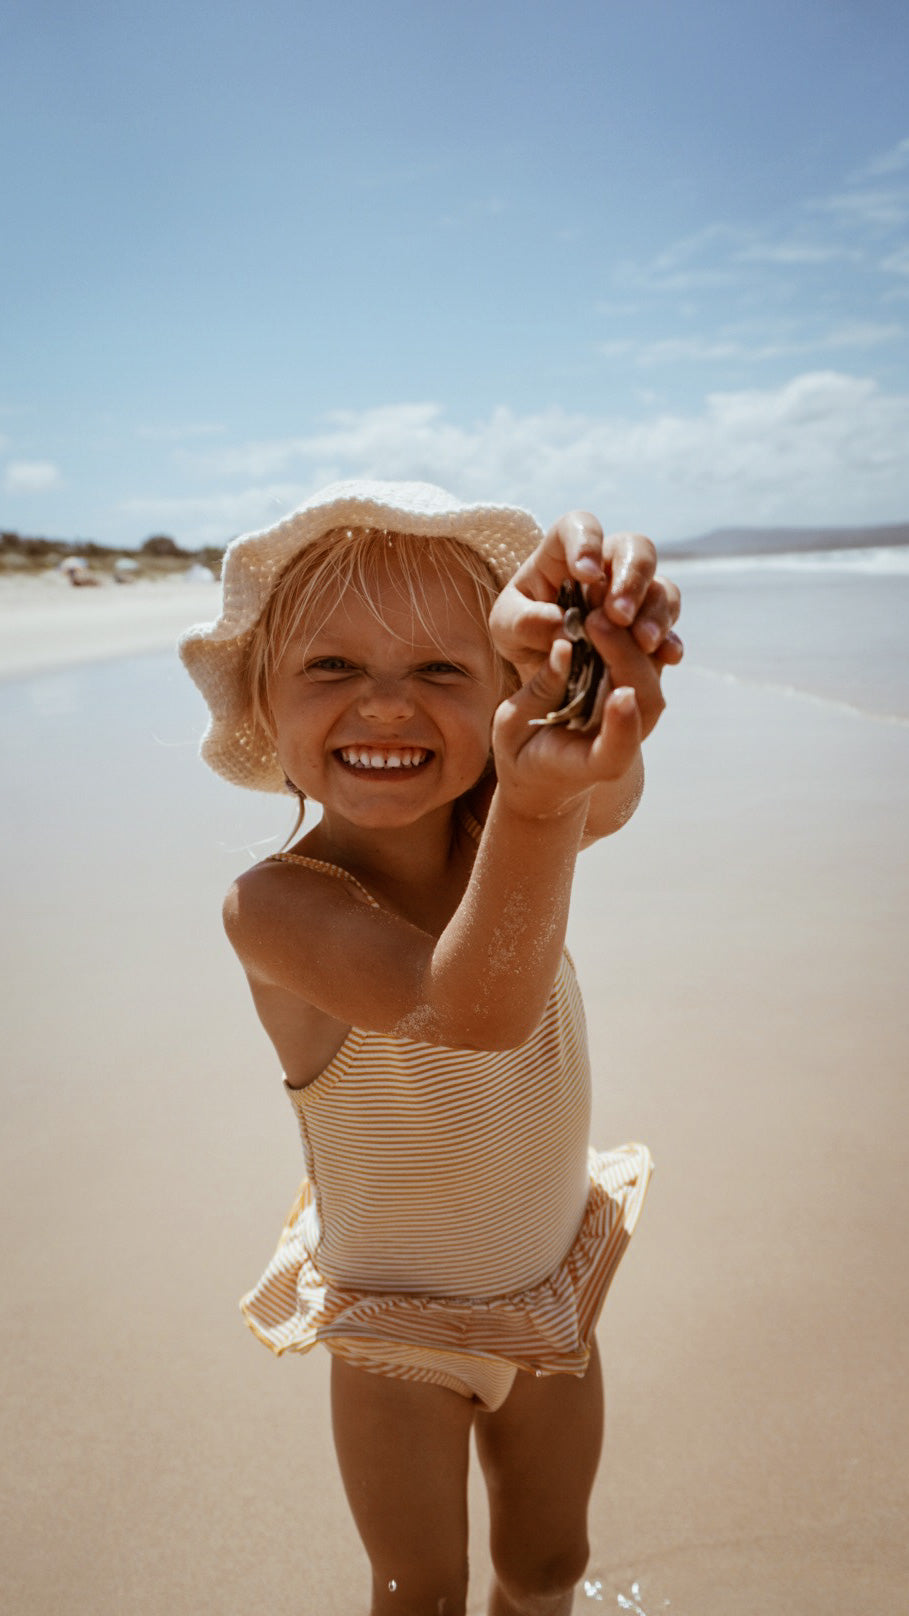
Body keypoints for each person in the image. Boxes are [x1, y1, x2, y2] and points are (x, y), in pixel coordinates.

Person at [179, 480, 682, 1616]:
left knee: (548, 1567)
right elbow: (469, 1008)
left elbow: (615, 781)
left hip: (550, 1292)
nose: (387, 707)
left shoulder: (504, 818)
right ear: (264, 701)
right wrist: (542, 801)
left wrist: (599, 663)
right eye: (333, 669)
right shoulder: (277, 906)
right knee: (419, 1595)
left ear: (502, 691)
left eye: (442, 671)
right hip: (394, 1340)